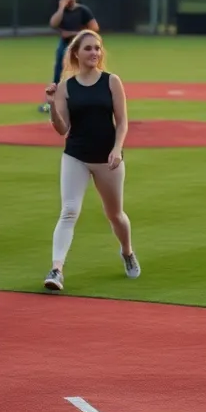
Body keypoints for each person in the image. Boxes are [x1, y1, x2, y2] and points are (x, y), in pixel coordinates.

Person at [41, 30, 139, 292]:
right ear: (76, 53)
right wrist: (52, 105)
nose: (94, 53)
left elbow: (122, 121)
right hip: (76, 156)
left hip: (108, 159)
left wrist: (117, 149)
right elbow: (62, 129)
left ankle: (127, 252)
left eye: (97, 48)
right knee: (69, 211)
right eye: (88, 48)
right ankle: (57, 269)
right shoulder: (66, 87)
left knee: (115, 215)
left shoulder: (111, 82)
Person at [40, 0, 98, 113]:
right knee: (59, 73)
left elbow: (94, 27)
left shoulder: (82, 10)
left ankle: (88, 102)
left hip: (79, 45)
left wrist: (73, 34)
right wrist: (61, 8)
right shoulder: (62, 11)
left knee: (81, 72)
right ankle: (51, 103)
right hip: (64, 45)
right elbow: (53, 24)